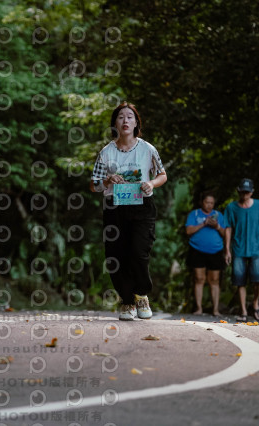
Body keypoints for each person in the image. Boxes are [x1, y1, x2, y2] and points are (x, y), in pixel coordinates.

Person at [90, 102, 167, 320]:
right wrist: (107, 180)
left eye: (130, 117)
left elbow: (162, 175)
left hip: (142, 208)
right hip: (114, 209)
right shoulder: (106, 152)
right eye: (121, 117)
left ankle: (141, 294)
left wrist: (151, 184)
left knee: (138, 252)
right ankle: (127, 302)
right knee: (115, 256)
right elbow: (94, 185)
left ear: (136, 123)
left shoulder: (147, 149)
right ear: (115, 124)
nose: (125, 120)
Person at [224, 178, 259, 322]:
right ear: (239, 191)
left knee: (258, 278)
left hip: (256, 248)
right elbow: (228, 228)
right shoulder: (231, 207)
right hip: (239, 248)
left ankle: (255, 303)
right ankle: (243, 310)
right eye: (243, 192)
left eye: (247, 192)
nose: (245, 195)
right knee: (240, 280)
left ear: (252, 192)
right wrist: (227, 250)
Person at [185, 192, 227, 316]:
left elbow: (226, 234)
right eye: (207, 202)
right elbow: (188, 231)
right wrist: (204, 223)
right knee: (199, 279)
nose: (209, 205)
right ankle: (199, 308)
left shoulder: (219, 215)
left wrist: (217, 226)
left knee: (215, 280)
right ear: (201, 202)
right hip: (197, 250)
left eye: (211, 203)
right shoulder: (194, 214)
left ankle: (215, 310)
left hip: (216, 251)